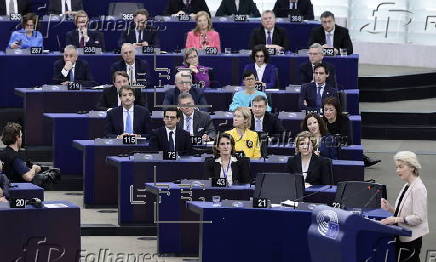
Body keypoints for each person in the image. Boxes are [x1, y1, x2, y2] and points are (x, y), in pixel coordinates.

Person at [380, 151, 429, 262]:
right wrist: (390, 209)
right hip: (402, 236)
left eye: (401, 167)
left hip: (411, 240)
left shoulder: (418, 189)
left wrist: (396, 219)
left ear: (412, 167)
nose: (397, 170)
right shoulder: (407, 185)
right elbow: (405, 213)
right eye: (397, 167)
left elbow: (418, 217)